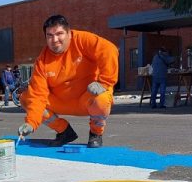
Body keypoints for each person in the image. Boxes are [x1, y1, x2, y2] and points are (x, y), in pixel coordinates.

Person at [17, 14, 118, 148]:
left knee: (102, 99)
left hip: (87, 99)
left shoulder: (82, 40)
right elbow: (37, 96)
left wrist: (104, 82)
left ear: (69, 33)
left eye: (59, 34)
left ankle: (96, 133)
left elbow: (109, 49)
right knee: (26, 98)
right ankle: (64, 131)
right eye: (50, 35)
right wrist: (31, 123)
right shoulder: (42, 61)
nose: (55, 39)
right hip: (62, 101)